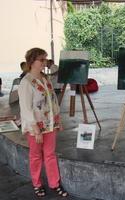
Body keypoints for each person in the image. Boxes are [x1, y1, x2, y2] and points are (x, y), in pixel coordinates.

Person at [18, 48, 68, 198]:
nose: (45, 62)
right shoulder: (26, 82)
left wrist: (58, 119)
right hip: (36, 127)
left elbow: (52, 101)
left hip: (50, 124)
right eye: (42, 60)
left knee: (50, 155)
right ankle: (37, 184)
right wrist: (36, 130)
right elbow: (26, 109)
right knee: (35, 156)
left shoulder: (45, 79)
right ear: (32, 62)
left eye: (45, 59)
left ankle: (54, 183)